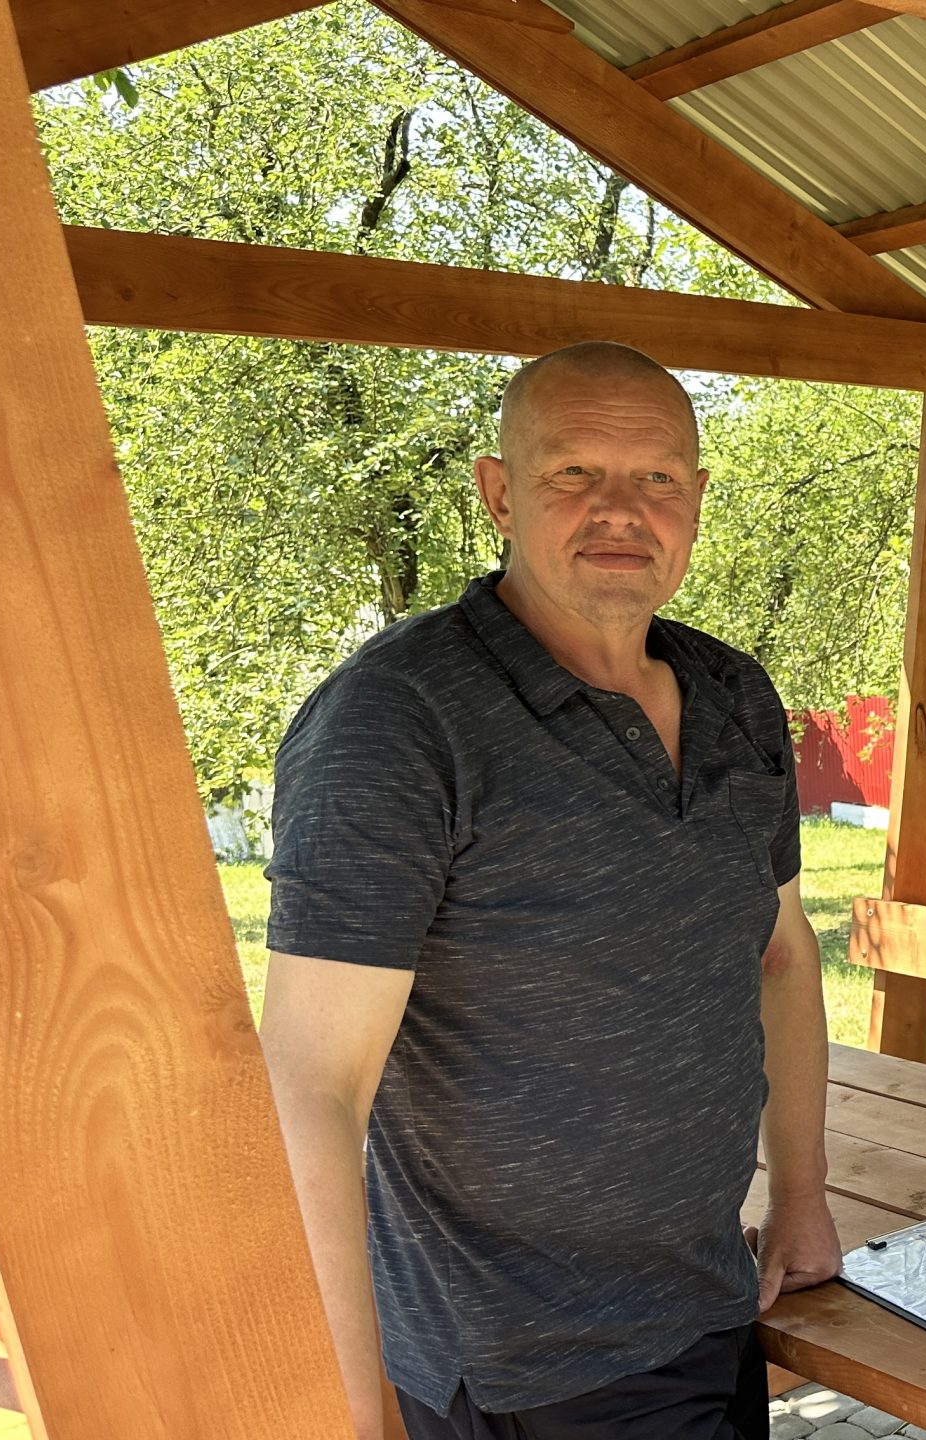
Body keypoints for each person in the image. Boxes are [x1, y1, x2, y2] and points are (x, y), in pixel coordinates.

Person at [258, 343, 839, 1440]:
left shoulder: (733, 694)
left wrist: (801, 1196)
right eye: (575, 471)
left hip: (713, 1303)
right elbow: (310, 1085)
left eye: (657, 476)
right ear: (499, 494)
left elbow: (782, 951)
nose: (622, 509)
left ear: (696, 498)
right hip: (523, 1365)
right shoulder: (398, 721)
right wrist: (353, 1415)